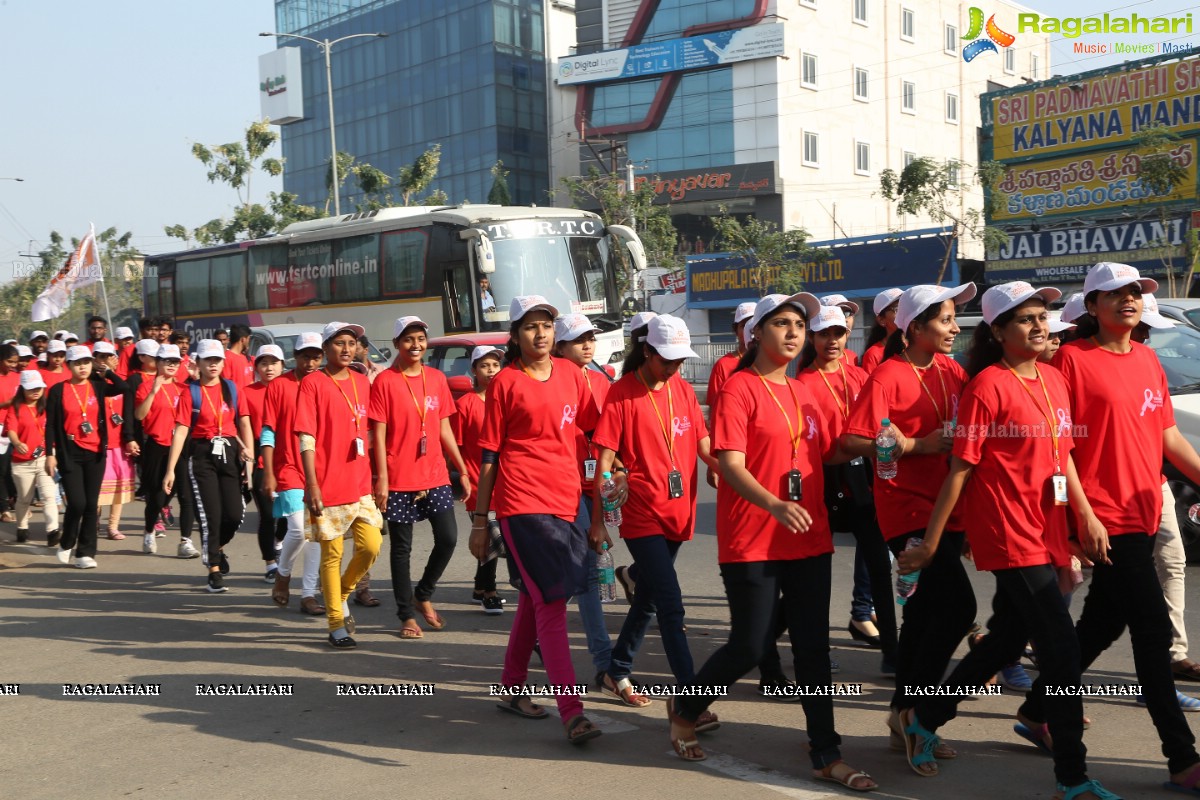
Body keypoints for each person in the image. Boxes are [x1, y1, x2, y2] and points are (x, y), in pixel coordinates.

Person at [894, 282, 1112, 799]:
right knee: (1060, 650)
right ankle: (1072, 776)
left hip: (1049, 528)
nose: (1039, 326)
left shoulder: (1055, 381)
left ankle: (924, 716)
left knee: (1009, 639)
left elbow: (1065, 462)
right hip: (1009, 532)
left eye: (1043, 316)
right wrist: (929, 544)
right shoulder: (987, 386)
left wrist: (1083, 518)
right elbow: (960, 470)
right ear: (997, 331)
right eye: (1024, 319)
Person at [668, 292, 876, 791]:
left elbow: (829, 452)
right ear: (755, 333)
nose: (792, 333)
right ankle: (688, 707)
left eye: (799, 325)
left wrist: (895, 441)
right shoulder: (739, 388)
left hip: (809, 536)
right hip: (753, 538)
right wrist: (775, 504)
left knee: (812, 648)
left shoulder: (806, 391)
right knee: (751, 643)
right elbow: (730, 466)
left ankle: (826, 753)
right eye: (780, 323)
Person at [1016, 263, 1200, 794]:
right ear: (1091, 305)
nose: (1128, 300)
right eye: (1114, 294)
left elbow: (1167, 436)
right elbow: (1060, 448)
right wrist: (1082, 515)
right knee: (1151, 633)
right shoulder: (1070, 362)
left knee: (1099, 627)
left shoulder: (1147, 359)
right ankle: (1182, 757)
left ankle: (1035, 710)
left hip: (1143, 512)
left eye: (1135, 293)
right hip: (1104, 517)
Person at [843, 283, 977, 764]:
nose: (955, 327)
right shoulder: (887, 377)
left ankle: (903, 713)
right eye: (944, 319)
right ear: (914, 328)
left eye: (953, 319)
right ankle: (921, 711)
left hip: (949, 505)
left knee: (921, 617)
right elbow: (855, 440)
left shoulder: (952, 370)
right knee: (960, 608)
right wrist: (912, 445)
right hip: (906, 507)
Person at [467, 295, 603, 744]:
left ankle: (510, 689)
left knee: (534, 598)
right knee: (552, 603)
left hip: (567, 502)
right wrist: (480, 521)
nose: (541, 333)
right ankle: (572, 710)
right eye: (530, 327)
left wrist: (608, 474)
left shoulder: (570, 373)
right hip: (522, 505)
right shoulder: (505, 383)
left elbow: (588, 428)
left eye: (547, 324)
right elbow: (490, 456)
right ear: (515, 335)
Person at [592, 314, 720, 713]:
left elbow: (704, 446)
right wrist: (598, 521)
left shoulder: (681, 389)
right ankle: (692, 699)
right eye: (667, 360)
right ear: (647, 352)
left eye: (680, 361)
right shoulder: (621, 394)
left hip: (678, 513)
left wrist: (729, 472)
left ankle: (618, 668)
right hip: (641, 511)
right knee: (670, 602)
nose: (674, 368)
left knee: (647, 598)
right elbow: (604, 461)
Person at [798, 304, 897, 674]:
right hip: (822, 481)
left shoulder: (859, 376)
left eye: (838, 333)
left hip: (865, 481)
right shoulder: (803, 383)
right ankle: (789, 647)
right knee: (813, 574)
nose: (832, 340)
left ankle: (892, 650)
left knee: (879, 569)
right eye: (824, 333)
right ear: (813, 338)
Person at [370, 316, 468, 639]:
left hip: (436, 475)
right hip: (399, 478)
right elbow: (379, 435)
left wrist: (462, 468)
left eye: (421, 339)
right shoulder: (384, 382)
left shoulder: (437, 379)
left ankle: (423, 593)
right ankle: (406, 615)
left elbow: (443, 428)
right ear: (397, 343)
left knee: (449, 538)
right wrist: (381, 479)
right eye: (409, 339)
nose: (416, 345)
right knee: (402, 549)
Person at [294, 322, 383, 648]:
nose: (346, 349)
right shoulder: (313, 383)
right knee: (332, 554)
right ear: (326, 348)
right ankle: (336, 623)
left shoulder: (363, 382)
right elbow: (306, 436)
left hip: (360, 483)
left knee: (371, 545)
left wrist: (379, 476)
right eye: (339, 343)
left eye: (351, 343)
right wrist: (312, 484)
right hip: (327, 483)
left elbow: (372, 434)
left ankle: (342, 593)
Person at [552, 312, 618, 685]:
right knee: (590, 570)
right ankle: (604, 662)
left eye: (591, 337)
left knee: (578, 570)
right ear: (560, 346)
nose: (588, 344)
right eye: (579, 339)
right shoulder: (552, 381)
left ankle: (538, 634)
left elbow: (611, 433)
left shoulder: (602, 379)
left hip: (597, 482)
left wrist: (618, 470)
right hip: (563, 484)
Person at [163, 339, 255, 592]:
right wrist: (170, 470)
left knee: (235, 515)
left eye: (217, 359)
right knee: (210, 515)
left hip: (230, 451)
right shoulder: (190, 392)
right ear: (198, 363)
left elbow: (244, 423)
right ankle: (213, 569)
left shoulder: (232, 389)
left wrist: (250, 455)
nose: (213, 364)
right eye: (208, 360)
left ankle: (217, 547)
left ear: (223, 362)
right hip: (202, 454)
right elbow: (181, 431)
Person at [45, 346, 127, 568]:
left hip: (95, 453)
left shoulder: (98, 387)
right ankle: (67, 542)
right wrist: (50, 455)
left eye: (86, 362)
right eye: (77, 363)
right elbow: (51, 425)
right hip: (69, 453)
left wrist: (107, 372)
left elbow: (123, 387)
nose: (82, 367)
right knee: (78, 503)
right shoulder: (57, 390)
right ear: (69, 366)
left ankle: (85, 553)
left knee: (91, 504)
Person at [263, 332, 325, 616]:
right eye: (305, 356)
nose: (310, 362)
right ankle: (283, 573)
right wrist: (268, 472)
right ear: (295, 357)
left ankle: (309, 594)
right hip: (288, 467)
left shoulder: (326, 385)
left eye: (315, 356)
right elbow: (268, 430)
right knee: (299, 529)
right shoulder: (279, 386)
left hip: (321, 469)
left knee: (315, 533)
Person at [131, 343, 200, 558]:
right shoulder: (145, 386)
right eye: (167, 361)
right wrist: (153, 391)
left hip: (180, 448)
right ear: (158, 363)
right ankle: (149, 531)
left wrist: (196, 379)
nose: (171, 365)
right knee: (157, 497)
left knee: (186, 496)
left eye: (175, 362)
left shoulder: (185, 388)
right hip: (156, 447)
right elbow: (139, 416)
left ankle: (185, 541)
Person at [454, 345, 507, 614]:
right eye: (485, 366)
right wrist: (463, 475)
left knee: (494, 536)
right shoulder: (465, 404)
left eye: (495, 365)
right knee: (489, 537)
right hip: (478, 481)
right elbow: (457, 446)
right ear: (473, 370)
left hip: (506, 482)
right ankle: (490, 591)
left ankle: (478, 586)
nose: (491, 371)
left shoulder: (506, 399)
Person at [244, 345, 287, 582]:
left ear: (282, 364)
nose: (268, 368)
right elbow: (245, 429)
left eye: (273, 362)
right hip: (261, 462)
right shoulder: (247, 393)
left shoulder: (294, 388)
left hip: (290, 462)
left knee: (291, 516)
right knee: (268, 516)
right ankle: (270, 563)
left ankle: (279, 541)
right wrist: (247, 464)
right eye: (263, 363)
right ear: (256, 367)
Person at [5, 371, 58, 545]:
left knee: (49, 496)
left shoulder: (47, 406)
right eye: (31, 388)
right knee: (24, 499)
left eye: (39, 388)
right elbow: (11, 429)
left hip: (45, 458)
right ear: (22, 389)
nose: (35, 391)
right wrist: (17, 442)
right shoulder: (16, 408)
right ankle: (22, 527)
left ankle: (52, 531)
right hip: (22, 462)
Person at [92, 341, 135, 541]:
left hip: (119, 444)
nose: (105, 361)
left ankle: (113, 526)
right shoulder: (90, 384)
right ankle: (94, 522)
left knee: (118, 487)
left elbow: (127, 410)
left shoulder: (120, 382)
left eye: (109, 357)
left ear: (115, 360)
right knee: (98, 487)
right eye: (100, 357)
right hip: (99, 443)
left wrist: (129, 438)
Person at [705, 301, 756, 408]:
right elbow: (714, 406)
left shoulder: (768, 362)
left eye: (753, 325)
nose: (749, 331)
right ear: (735, 330)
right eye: (744, 326)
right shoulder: (723, 365)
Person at [861, 288, 903, 373]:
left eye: (905, 307)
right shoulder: (873, 354)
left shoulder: (918, 345)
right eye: (897, 309)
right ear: (881, 320)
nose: (904, 312)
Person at [820, 295, 861, 366]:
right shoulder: (809, 362)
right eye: (837, 313)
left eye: (847, 313)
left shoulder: (852, 356)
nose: (844, 319)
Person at [222, 324, 254, 390]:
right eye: (248, 339)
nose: (248, 342)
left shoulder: (246, 358)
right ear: (243, 339)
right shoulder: (226, 358)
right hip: (236, 399)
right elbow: (225, 384)